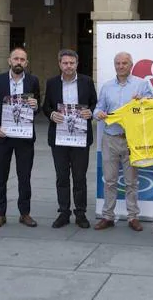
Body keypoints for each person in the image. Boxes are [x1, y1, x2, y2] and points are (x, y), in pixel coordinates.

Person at [93, 52, 153, 232]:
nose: (121, 66)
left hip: (131, 140)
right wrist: (98, 114)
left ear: (131, 65)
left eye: (124, 63)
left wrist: (142, 101)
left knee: (131, 182)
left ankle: (133, 216)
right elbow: (98, 107)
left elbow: (151, 105)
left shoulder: (141, 85)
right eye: (118, 63)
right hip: (110, 138)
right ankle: (107, 216)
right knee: (110, 181)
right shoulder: (106, 87)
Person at [0, 47, 40, 228]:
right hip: (3, 136)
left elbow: (37, 108)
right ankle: (0, 214)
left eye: (22, 59)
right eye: (15, 59)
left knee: (24, 177)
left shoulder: (33, 81)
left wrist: (35, 105)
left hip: (24, 138)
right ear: (9, 60)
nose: (18, 62)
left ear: (26, 63)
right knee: (0, 176)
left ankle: (25, 213)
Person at [43, 49, 97, 229]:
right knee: (62, 176)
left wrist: (91, 111)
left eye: (71, 63)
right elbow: (46, 106)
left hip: (80, 137)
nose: (68, 66)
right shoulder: (52, 83)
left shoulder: (87, 81)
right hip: (59, 138)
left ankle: (80, 213)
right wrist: (51, 114)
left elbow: (94, 103)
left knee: (80, 176)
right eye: (65, 63)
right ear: (60, 64)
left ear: (77, 64)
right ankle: (64, 212)